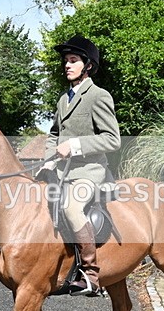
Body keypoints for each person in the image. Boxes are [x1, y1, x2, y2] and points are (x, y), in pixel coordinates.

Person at [44, 35, 121, 296]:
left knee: (71, 207)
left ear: (87, 66)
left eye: (73, 60)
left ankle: (90, 274)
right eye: (66, 61)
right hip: (61, 171)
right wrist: (48, 160)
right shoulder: (63, 100)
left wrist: (75, 146)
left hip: (89, 172)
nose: (67, 65)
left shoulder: (98, 96)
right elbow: (54, 134)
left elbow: (112, 139)